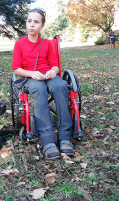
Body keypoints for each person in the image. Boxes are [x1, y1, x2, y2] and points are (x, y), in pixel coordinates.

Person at [11, 8, 74, 159]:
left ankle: (65, 137)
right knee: (38, 90)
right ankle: (47, 140)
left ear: (42, 25)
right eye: (29, 21)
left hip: (48, 75)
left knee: (60, 86)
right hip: (31, 77)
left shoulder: (47, 44)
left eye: (36, 22)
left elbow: (55, 65)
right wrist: (32, 73)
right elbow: (17, 70)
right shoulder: (19, 44)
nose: (32, 25)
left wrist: (53, 70)